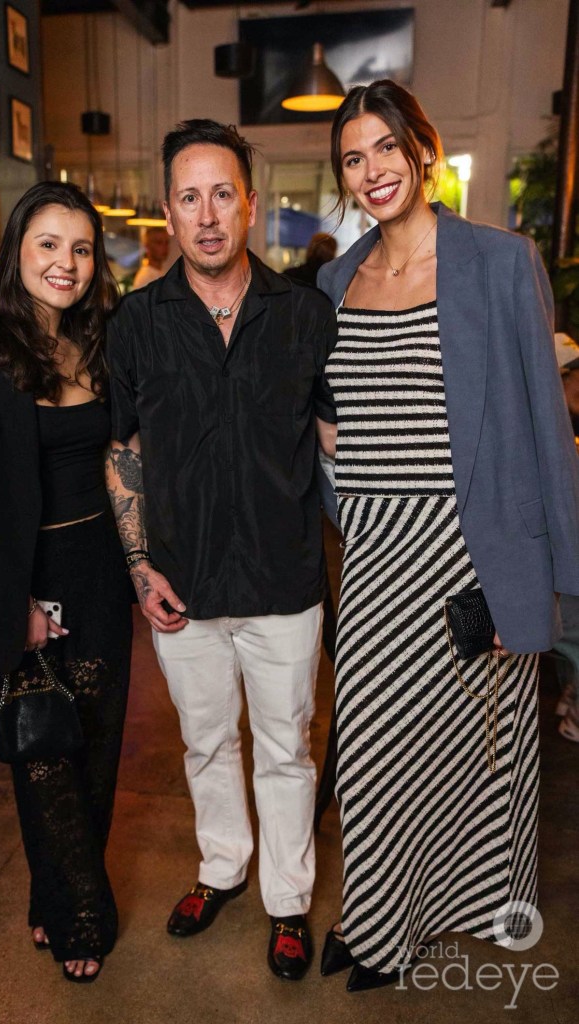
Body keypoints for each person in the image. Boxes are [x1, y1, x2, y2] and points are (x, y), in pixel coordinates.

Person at [315, 79, 579, 992]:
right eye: (353, 158)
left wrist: (539, 590)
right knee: (373, 753)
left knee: (470, 752)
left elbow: (545, 430)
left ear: (422, 150)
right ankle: (378, 920)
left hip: (471, 555)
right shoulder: (335, 281)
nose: (372, 170)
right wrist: (328, 452)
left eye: (386, 147)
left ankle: (453, 910)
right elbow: (336, 417)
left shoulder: (500, 261)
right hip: (373, 557)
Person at [105, 119, 338, 980]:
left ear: (249, 203)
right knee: (205, 744)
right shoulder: (136, 322)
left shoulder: (304, 314)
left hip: (285, 581)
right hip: (183, 584)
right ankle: (222, 868)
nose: (205, 215)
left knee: (285, 749)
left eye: (221, 195)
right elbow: (122, 451)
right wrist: (140, 568)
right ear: (168, 211)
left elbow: (336, 443)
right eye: (188, 197)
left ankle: (287, 899)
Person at [0, 181, 133, 984]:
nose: (65, 263)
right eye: (48, 244)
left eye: (81, 248)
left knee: (96, 751)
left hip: (98, 575)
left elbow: (122, 463)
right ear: (16, 251)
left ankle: (53, 893)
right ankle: (85, 914)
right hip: (16, 579)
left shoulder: (102, 345)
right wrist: (12, 604)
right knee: (41, 753)